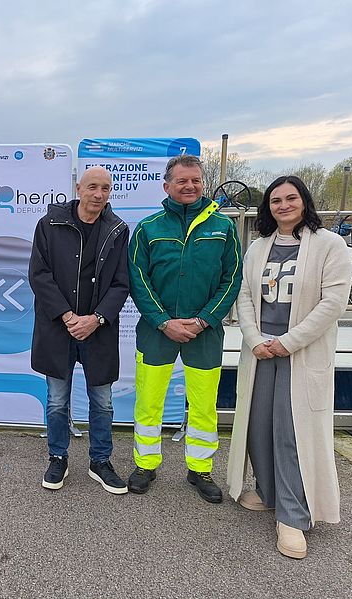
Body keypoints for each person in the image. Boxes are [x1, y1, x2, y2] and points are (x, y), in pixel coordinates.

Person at [227, 176, 351, 559]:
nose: (283, 205)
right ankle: (269, 493)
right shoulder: (258, 247)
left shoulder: (329, 245)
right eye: (276, 200)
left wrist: (289, 341)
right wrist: (254, 338)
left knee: (291, 431)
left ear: (304, 201)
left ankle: (293, 516)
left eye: (290, 198)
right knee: (259, 425)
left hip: (301, 352)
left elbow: (333, 303)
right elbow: (244, 295)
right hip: (262, 351)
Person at [127, 154, 242, 502]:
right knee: (148, 402)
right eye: (182, 180)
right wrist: (163, 321)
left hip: (204, 332)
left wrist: (204, 319)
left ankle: (200, 469)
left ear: (203, 183)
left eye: (195, 180)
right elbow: (138, 279)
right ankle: (145, 464)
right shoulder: (148, 228)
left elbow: (232, 279)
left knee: (204, 405)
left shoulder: (223, 227)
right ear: (167, 186)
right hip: (156, 331)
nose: (189, 186)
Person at [29, 166, 130, 493]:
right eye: (92, 187)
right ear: (78, 188)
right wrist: (67, 316)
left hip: (98, 330)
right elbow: (39, 275)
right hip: (58, 328)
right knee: (57, 401)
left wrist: (95, 319)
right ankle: (58, 457)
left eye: (105, 188)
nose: (99, 195)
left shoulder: (118, 229)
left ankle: (100, 461)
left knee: (103, 402)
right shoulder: (49, 224)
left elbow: (121, 283)